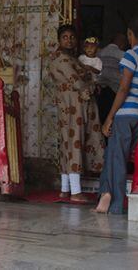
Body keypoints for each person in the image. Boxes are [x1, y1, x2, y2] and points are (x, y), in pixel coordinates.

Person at [94, 17, 138, 214]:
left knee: (116, 157)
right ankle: (106, 194)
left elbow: (123, 88)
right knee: (119, 155)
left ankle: (114, 202)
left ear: (130, 34)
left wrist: (110, 116)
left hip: (125, 113)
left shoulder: (130, 55)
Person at [44, 24, 104, 202]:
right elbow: (77, 81)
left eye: (72, 37)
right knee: (74, 142)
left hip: (72, 105)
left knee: (68, 143)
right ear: (59, 39)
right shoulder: (62, 58)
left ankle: (65, 189)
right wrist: (90, 82)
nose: (69, 41)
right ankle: (76, 192)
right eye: (65, 37)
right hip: (73, 106)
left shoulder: (72, 58)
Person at [96, 33, 128, 127]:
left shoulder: (99, 53)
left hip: (100, 92)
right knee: (113, 124)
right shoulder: (123, 55)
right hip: (116, 93)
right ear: (122, 44)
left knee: (101, 120)